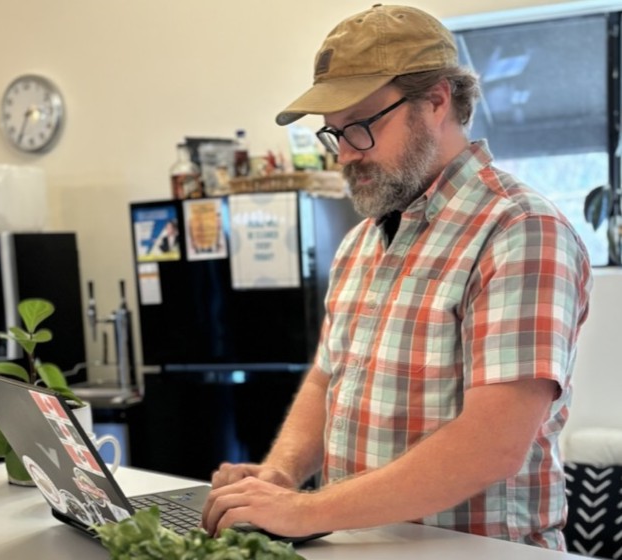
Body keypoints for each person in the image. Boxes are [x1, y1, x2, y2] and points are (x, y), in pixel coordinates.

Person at [201, 4, 592, 550]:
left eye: (360, 127)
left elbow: (493, 443)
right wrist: (282, 475)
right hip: (363, 545)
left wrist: (307, 510)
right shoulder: (362, 241)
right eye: (334, 134)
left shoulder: (519, 231)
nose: (345, 157)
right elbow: (326, 379)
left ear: (436, 101)